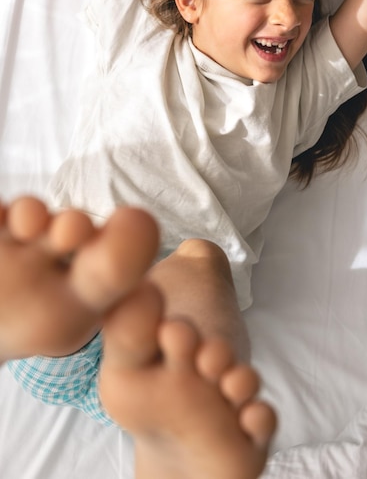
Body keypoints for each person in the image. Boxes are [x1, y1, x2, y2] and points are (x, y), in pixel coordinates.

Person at [7, 0, 367, 476]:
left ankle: (183, 429)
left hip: (155, 346)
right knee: (75, 256)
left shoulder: (298, 93)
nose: (290, 17)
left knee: (200, 259)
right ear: (189, 2)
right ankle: (44, 307)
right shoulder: (138, 30)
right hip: (68, 306)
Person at [0, 196, 276, 479]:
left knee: (198, 259)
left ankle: (183, 406)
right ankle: (193, 393)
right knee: (199, 260)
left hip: (56, 361)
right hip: (127, 350)